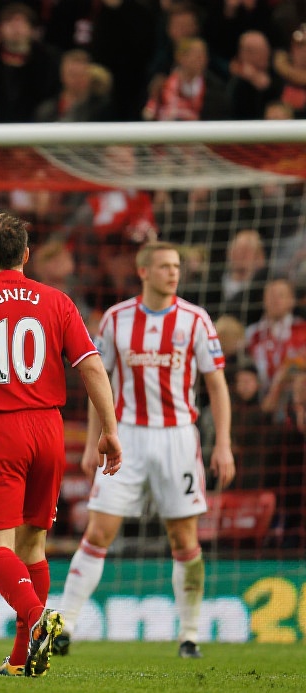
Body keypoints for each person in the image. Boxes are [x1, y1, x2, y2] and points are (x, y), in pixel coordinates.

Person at [0, 212, 122, 678]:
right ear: (27, 256)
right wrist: (109, 429)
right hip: (49, 430)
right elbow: (92, 367)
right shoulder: (57, 300)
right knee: (32, 545)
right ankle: (20, 658)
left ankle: (37, 619)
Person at [54, 241, 237, 660]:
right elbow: (100, 381)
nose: (173, 273)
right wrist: (92, 442)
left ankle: (189, 634)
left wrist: (223, 443)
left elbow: (217, 386)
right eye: (164, 266)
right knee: (99, 531)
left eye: (176, 266)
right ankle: (64, 625)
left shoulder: (196, 319)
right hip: (128, 438)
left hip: (178, 438)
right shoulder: (117, 320)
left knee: (183, 538)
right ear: (143, 272)